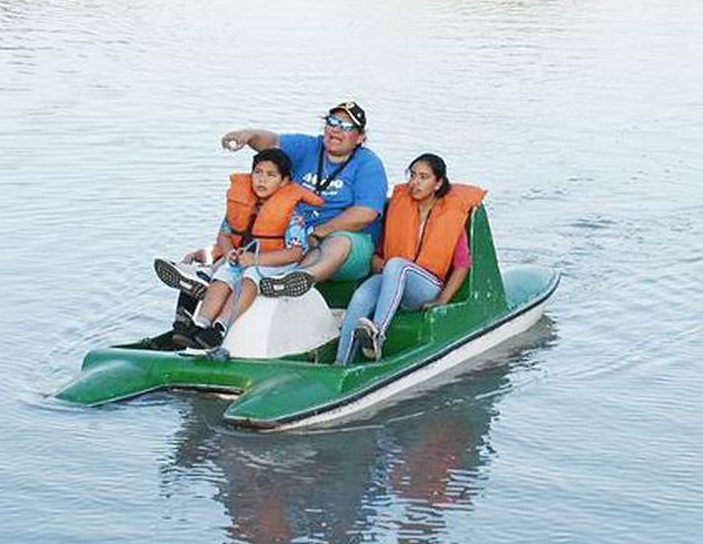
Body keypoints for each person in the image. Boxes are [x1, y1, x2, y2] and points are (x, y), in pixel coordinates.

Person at [216, 101, 388, 298]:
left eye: (346, 127)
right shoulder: (309, 147)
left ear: (360, 138)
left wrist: (320, 232)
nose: (336, 130)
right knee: (247, 212)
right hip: (297, 236)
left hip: (345, 243)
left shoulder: (369, 164)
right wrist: (248, 135)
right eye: (332, 122)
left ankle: (297, 279)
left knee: (340, 242)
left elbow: (366, 213)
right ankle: (219, 274)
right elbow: (272, 143)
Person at [157, 148, 322, 349]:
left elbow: (295, 252)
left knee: (250, 276)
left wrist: (255, 260)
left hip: (273, 262)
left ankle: (220, 327)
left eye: (271, 175)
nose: (262, 180)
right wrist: (229, 253)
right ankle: (200, 324)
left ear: (284, 181)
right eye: (258, 173)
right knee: (225, 272)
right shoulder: (242, 204)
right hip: (241, 258)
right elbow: (224, 235)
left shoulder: (292, 214)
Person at [336, 154, 482, 364]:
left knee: (398, 266)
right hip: (393, 283)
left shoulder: (450, 214)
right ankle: (341, 363)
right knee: (361, 296)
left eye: (423, 177)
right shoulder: (400, 207)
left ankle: (378, 334)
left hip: (425, 287)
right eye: (412, 175)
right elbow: (380, 250)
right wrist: (376, 261)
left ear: (438, 183)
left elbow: (462, 265)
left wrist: (442, 300)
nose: (415, 182)